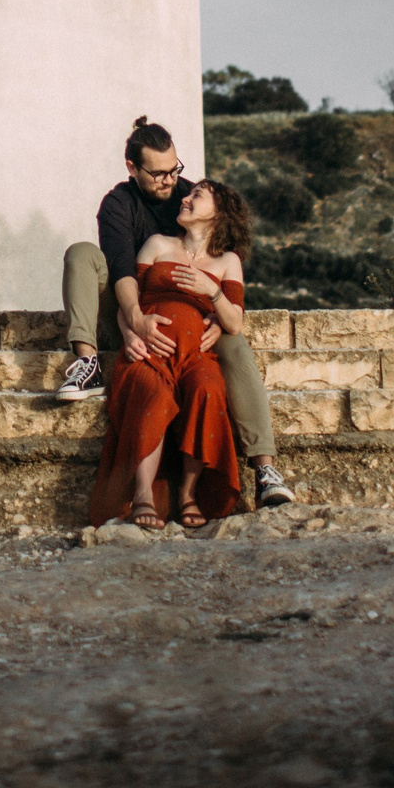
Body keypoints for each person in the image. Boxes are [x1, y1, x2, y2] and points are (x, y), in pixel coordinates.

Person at [56, 117, 295, 508]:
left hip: (193, 329)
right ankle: (88, 362)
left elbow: (221, 260)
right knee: (82, 254)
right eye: (158, 174)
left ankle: (265, 469)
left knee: (236, 345)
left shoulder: (190, 198)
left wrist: (219, 314)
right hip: (130, 308)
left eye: (175, 170)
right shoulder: (119, 204)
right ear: (133, 169)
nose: (171, 183)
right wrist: (133, 325)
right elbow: (122, 272)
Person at [86, 177, 254, 529]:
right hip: (149, 351)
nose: (186, 198)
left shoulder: (227, 262)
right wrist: (130, 331)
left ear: (219, 212)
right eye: (189, 194)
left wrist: (212, 291)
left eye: (197, 195)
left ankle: (188, 493)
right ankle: (144, 493)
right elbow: (127, 298)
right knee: (154, 394)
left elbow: (234, 322)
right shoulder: (158, 244)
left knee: (207, 390)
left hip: (196, 357)